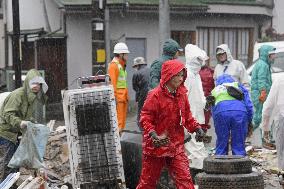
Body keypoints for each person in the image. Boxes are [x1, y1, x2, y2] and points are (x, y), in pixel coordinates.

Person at [136, 59, 205, 189]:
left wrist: (196, 128)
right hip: (156, 147)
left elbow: (187, 116)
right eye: (177, 75)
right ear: (168, 76)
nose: (180, 79)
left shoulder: (181, 94)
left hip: (175, 146)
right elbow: (145, 117)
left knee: (185, 180)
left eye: (181, 75)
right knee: (147, 183)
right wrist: (152, 133)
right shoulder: (154, 95)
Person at [0, 69, 48, 181]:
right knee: (10, 163)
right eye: (33, 83)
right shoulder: (18, 95)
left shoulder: (32, 98)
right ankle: (6, 185)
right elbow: (8, 114)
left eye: (38, 84)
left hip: (15, 132)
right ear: (27, 83)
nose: (36, 86)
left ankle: (12, 183)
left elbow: (25, 115)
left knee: (16, 162)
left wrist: (31, 123)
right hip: (6, 131)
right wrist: (20, 122)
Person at [210, 74, 253, 156]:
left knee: (221, 142)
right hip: (240, 112)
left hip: (221, 113)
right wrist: (249, 121)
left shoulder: (215, 90)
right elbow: (249, 105)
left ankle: (220, 164)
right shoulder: (238, 86)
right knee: (239, 143)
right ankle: (239, 164)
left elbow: (213, 110)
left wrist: (218, 124)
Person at [251, 45, 276, 130]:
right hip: (261, 95)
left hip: (260, 94)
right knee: (260, 118)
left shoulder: (263, 64)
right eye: (272, 54)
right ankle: (245, 134)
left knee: (261, 117)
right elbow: (262, 79)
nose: (274, 56)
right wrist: (263, 92)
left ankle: (265, 137)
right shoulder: (263, 65)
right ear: (266, 54)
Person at [261, 78, 284, 169]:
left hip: (282, 120)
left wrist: (266, 129)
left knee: (282, 154)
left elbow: (268, 107)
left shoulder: (280, 81)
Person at [108, 42, 129, 133]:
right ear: (121, 54)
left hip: (123, 97)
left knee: (122, 122)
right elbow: (112, 84)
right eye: (126, 54)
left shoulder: (121, 65)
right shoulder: (114, 66)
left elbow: (123, 83)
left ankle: (120, 141)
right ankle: (117, 143)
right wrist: (114, 98)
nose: (127, 56)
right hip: (119, 98)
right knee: (119, 122)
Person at [132, 57, 150, 130]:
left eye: (135, 66)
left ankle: (142, 128)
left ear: (137, 65)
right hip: (154, 94)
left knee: (141, 112)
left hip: (143, 95)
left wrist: (137, 99)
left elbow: (135, 88)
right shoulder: (151, 70)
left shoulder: (136, 73)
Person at [199, 55, 215, 131]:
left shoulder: (194, 71)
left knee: (202, 117)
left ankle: (202, 131)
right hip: (207, 98)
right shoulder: (210, 71)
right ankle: (203, 131)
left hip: (202, 98)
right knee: (205, 117)